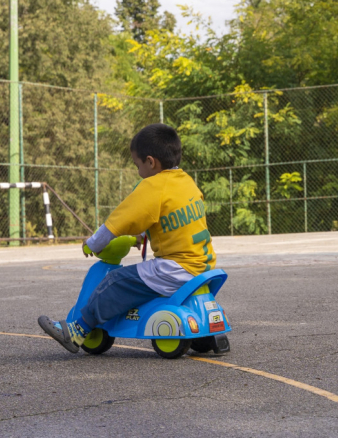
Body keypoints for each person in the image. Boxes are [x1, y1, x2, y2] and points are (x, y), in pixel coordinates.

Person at [38, 123, 216, 353]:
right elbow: (164, 218)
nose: (139, 172)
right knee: (137, 276)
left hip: (176, 267)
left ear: (151, 162)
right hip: (203, 265)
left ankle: (77, 331)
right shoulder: (185, 182)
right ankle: (206, 338)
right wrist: (141, 236)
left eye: (138, 165)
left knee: (114, 282)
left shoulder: (153, 185)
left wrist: (91, 244)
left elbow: (116, 223)